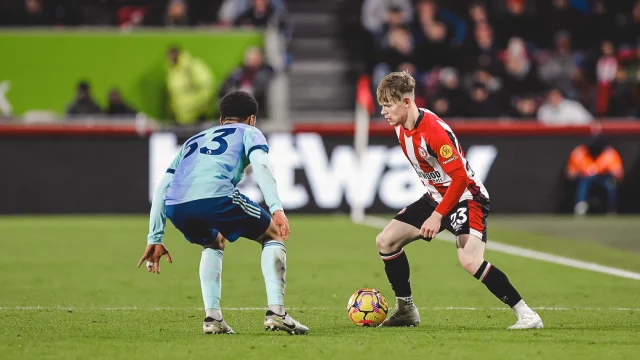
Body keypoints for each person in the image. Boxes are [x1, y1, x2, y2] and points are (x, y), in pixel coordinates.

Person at [374, 71, 543, 330]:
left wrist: (437, 215)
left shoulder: (433, 132)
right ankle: (406, 310)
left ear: (407, 102)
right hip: (437, 196)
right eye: (382, 106)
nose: (384, 112)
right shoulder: (400, 126)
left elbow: (461, 179)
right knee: (386, 241)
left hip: (467, 197)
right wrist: (436, 208)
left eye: (388, 105)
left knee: (469, 260)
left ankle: (527, 314)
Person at [137, 91, 309, 335]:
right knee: (272, 235)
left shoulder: (193, 141)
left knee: (215, 242)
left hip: (177, 205)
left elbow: (162, 187)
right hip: (215, 196)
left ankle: (213, 318)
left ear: (221, 120)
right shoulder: (249, 132)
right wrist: (276, 208)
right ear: (251, 119)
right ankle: (277, 313)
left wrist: (155, 237)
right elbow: (261, 165)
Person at [567, 134, 623, 215]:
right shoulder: (580, 153)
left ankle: (611, 209)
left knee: (611, 183)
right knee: (584, 181)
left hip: (603, 178)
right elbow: (570, 173)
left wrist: (607, 172)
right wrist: (581, 173)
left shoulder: (609, 154)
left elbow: (618, 173)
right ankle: (581, 206)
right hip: (585, 179)